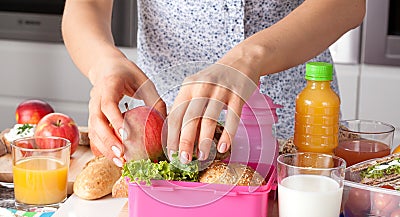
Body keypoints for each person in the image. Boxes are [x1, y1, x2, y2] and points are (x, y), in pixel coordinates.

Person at [62, 0, 365, 167]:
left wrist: (251, 58)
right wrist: (104, 64)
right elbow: (85, 5)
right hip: (165, 134)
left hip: (296, 129)